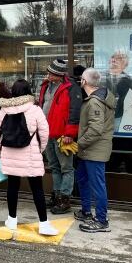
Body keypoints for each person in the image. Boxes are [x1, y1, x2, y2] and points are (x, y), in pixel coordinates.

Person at [0, 79, 57, 236]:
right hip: (30, 155)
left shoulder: (4, 110)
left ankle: (12, 220)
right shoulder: (35, 110)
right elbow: (44, 134)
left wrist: (1, 154)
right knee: (37, 189)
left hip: (9, 154)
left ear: (13, 92)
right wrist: (39, 151)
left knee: (12, 188)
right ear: (29, 92)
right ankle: (43, 224)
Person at [74, 68, 116, 233]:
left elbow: (95, 129)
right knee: (82, 179)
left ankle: (101, 220)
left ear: (84, 81)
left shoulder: (95, 101)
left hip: (94, 149)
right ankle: (86, 211)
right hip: (89, 149)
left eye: (80, 79)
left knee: (98, 185)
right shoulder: (99, 97)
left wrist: (80, 144)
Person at [38, 58, 81, 215]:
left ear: (59, 75)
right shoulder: (45, 86)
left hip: (63, 135)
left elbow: (75, 112)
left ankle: (65, 199)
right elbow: (41, 105)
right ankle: (56, 195)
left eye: (51, 73)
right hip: (47, 133)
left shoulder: (71, 88)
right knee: (54, 167)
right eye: (49, 72)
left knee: (66, 168)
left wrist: (70, 133)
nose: (48, 75)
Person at [105, 49, 132, 173]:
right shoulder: (101, 77)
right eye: (113, 57)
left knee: (120, 148)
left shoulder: (129, 79)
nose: (114, 60)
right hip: (101, 119)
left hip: (119, 118)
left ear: (125, 64)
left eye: (119, 58)